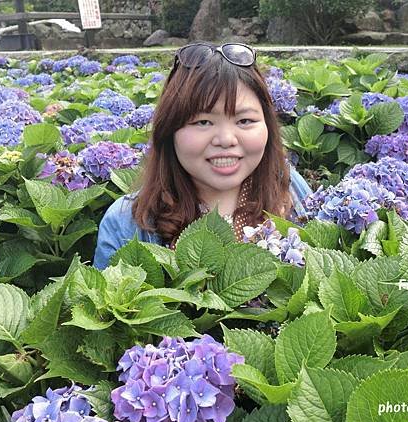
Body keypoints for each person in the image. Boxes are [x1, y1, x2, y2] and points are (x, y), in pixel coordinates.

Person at [93, 42, 313, 270]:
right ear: (169, 130)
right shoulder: (125, 223)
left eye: (245, 121)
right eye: (203, 122)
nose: (226, 139)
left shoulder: (292, 191)